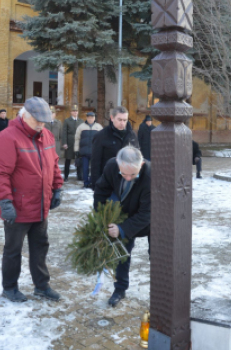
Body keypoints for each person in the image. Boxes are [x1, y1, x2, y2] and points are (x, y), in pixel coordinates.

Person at [0, 97, 64, 303]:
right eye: (37, 120)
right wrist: (5, 202)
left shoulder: (46, 135)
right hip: (17, 207)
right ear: (25, 116)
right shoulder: (8, 138)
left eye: (44, 121)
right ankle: (10, 287)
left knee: (40, 247)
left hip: (40, 205)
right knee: (13, 250)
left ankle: (42, 286)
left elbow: (53, 163)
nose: (41, 125)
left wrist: (57, 187)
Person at [94, 146, 150, 307]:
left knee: (158, 255)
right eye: (123, 174)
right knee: (121, 253)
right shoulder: (112, 165)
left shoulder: (150, 176)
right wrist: (103, 218)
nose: (127, 178)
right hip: (124, 213)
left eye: (132, 174)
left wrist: (123, 228)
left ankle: (161, 293)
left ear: (141, 164)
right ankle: (120, 289)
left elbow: (147, 213)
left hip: (152, 219)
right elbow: (101, 191)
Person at [91, 106, 139, 188]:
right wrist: (96, 185)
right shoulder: (101, 136)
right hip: (108, 182)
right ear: (112, 118)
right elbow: (95, 163)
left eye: (125, 120)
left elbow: (137, 158)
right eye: (119, 120)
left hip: (128, 182)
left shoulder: (132, 135)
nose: (122, 123)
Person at [74, 112, 103, 188]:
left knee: (94, 168)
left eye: (92, 117)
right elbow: (77, 139)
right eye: (89, 117)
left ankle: (91, 181)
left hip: (95, 152)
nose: (90, 119)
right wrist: (76, 150)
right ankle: (86, 183)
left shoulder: (99, 127)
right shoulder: (81, 127)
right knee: (85, 169)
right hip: (84, 152)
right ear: (86, 118)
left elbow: (102, 139)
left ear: (94, 118)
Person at [62, 104, 84, 181]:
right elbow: (64, 133)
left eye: (76, 111)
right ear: (71, 112)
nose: (75, 112)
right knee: (68, 160)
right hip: (70, 143)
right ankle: (66, 176)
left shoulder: (81, 121)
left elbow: (83, 132)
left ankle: (79, 176)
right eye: (74, 111)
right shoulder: (67, 121)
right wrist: (64, 143)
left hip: (78, 143)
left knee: (78, 160)